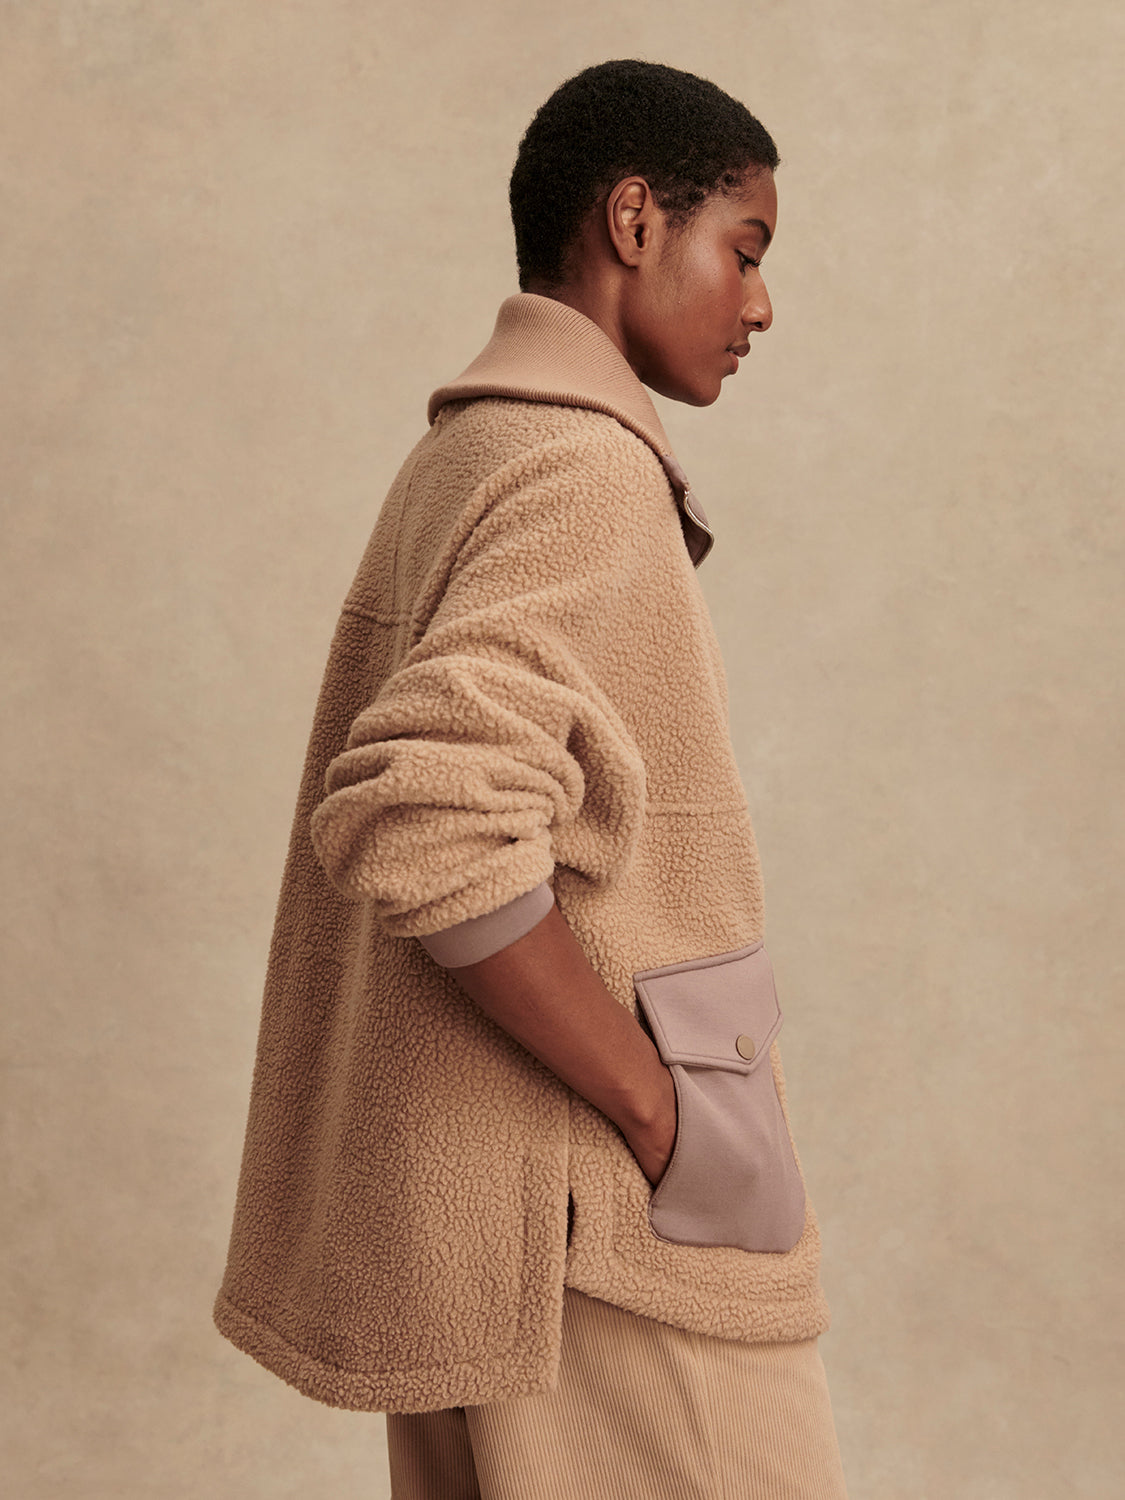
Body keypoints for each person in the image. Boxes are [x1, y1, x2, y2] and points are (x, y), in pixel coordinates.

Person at [214, 59, 849, 1499]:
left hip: (481, 1232)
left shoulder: (469, 449)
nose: (760, 304)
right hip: (594, 1239)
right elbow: (433, 816)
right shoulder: (581, 468)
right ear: (634, 220)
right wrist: (659, 1115)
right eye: (744, 249)